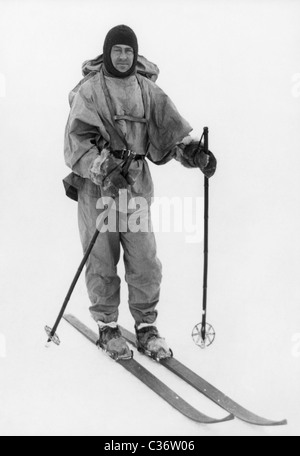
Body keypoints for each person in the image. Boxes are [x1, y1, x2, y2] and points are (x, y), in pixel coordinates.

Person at [64, 25, 217, 361]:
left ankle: (146, 327)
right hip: (98, 189)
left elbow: (170, 131)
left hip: (134, 187)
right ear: (107, 52)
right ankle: (107, 326)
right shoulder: (90, 91)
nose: (123, 57)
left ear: (135, 55)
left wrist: (192, 153)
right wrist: (103, 167)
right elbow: (76, 143)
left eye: (128, 51)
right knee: (102, 257)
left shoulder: (147, 90)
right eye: (117, 50)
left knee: (144, 260)